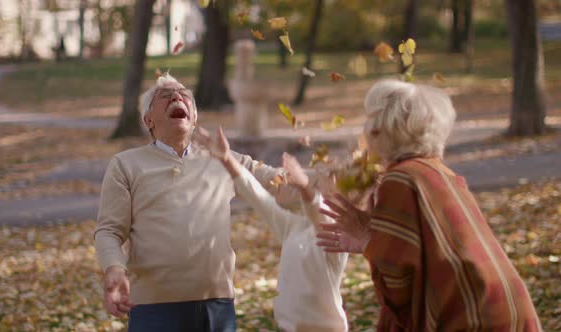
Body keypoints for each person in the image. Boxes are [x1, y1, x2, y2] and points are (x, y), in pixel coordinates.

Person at [317, 79, 542, 331]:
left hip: (472, 318)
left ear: (382, 130)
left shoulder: (399, 180)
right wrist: (374, 239)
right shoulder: (439, 172)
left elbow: (399, 285)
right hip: (507, 308)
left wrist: (370, 242)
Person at [94, 72, 291, 331]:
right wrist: (114, 269)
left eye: (184, 94)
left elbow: (276, 180)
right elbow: (108, 231)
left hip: (216, 304)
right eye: (164, 96)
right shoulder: (125, 165)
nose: (176, 96)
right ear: (148, 120)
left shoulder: (224, 159)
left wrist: (328, 176)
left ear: (195, 117)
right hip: (153, 307)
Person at [194, 126, 349, 332]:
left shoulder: (336, 234)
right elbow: (258, 197)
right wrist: (226, 159)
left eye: (333, 180)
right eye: (325, 178)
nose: (325, 182)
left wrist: (304, 187)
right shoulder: (293, 227)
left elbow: (318, 211)